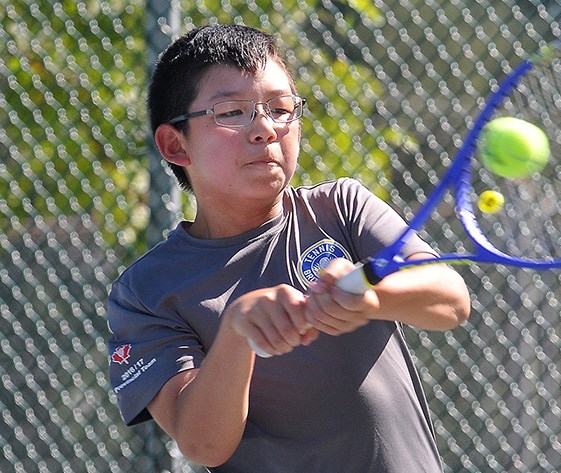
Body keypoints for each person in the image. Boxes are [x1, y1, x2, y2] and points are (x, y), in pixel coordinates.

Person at [106, 23, 471, 472]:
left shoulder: (342, 208)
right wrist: (238, 333)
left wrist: (373, 299)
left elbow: (451, 300)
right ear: (175, 145)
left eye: (281, 109)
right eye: (232, 113)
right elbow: (202, 444)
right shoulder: (144, 292)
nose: (264, 129)